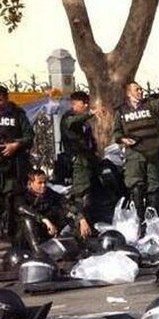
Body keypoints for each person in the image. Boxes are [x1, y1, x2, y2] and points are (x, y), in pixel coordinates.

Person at [112, 82, 159, 218]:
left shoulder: (150, 106)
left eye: (141, 89)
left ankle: (151, 219)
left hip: (153, 152)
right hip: (135, 153)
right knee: (136, 185)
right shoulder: (121, 112)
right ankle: (137, 219)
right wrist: (123, 139)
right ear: (129, 93)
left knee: (154, 185)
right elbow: (116, 133)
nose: (140, 91)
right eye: (137, 89)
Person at [59, 91, 97, 238]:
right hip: (76, 163)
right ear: (75, 104)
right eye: (84, 103)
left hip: (86, 161)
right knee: (79, 195)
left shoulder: (83, 122)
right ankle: (80, 229)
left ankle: (87, 226)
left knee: (88, 194)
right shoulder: (68, 117)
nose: (86, 106)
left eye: (87, 103)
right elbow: (72, 122)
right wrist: (91, 114)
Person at [0, 85, 33, 239]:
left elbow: (29, 136)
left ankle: (14, 237)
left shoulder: (17, 114)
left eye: (1, 98)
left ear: (6, 97)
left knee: (13, 200)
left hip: (14, 167)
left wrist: (15, 145)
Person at [16, 170, 70, 254]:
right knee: (27, 220)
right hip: (27, 239)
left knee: (65, 212)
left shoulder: (49, 193)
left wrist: (80, 218)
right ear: (31, 183)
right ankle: (38, 253)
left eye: (45, 182)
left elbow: (65, 202)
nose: (43, 185)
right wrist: (44, 220)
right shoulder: (22, 195)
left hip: (47, 233)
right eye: (39, 183)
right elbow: (22, 208)